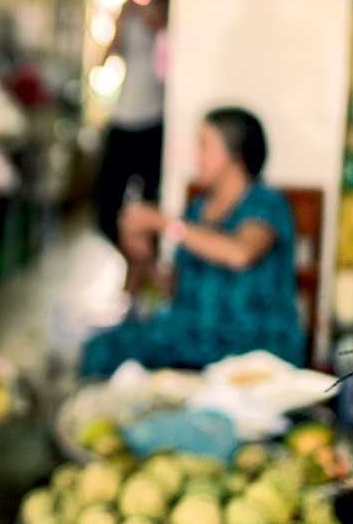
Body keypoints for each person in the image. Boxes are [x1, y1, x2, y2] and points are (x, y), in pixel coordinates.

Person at [81, 107, 303, 377]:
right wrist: (142, 257)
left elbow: (240, 253)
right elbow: (172, 288)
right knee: (101, 349)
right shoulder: (198, 209)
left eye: (204, 145)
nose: (196, 157)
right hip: (189, 336)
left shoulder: (266, 203)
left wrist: (165, 224)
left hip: (249, 342)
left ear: (235, 154)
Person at [94, 0, 173, 248]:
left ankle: (142, 276)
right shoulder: (131, 8)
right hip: (124, 117)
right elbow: (105, 58)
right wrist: (121, 19)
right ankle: (133, 263)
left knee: (152, 204)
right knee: (106, 210)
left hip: (156, 120)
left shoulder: (177, 8)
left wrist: (150, 16)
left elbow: (170, 51)